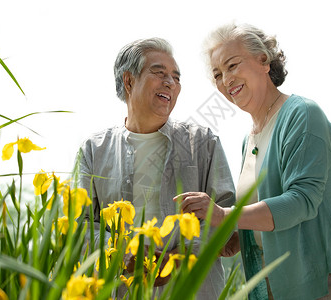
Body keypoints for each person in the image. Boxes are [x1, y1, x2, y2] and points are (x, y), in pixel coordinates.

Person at [176, 23, 331, 300]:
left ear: (263, 61)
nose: (226, 79)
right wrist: (237, 238)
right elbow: (266, 212)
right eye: (218, 75)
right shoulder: (250, 140)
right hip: (281, 285)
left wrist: (225, 215)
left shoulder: (302, 114)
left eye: (232, 65)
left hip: (330, 282)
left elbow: (300, 201)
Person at [77, 37, 235, 299]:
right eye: (159, 73)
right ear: (129, 81)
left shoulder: (204, 143)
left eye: (176, 77)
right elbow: (80, 225)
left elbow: (227, 219)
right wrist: (122, 252)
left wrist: (180, 257)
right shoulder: (94, 151)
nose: (170, 83)